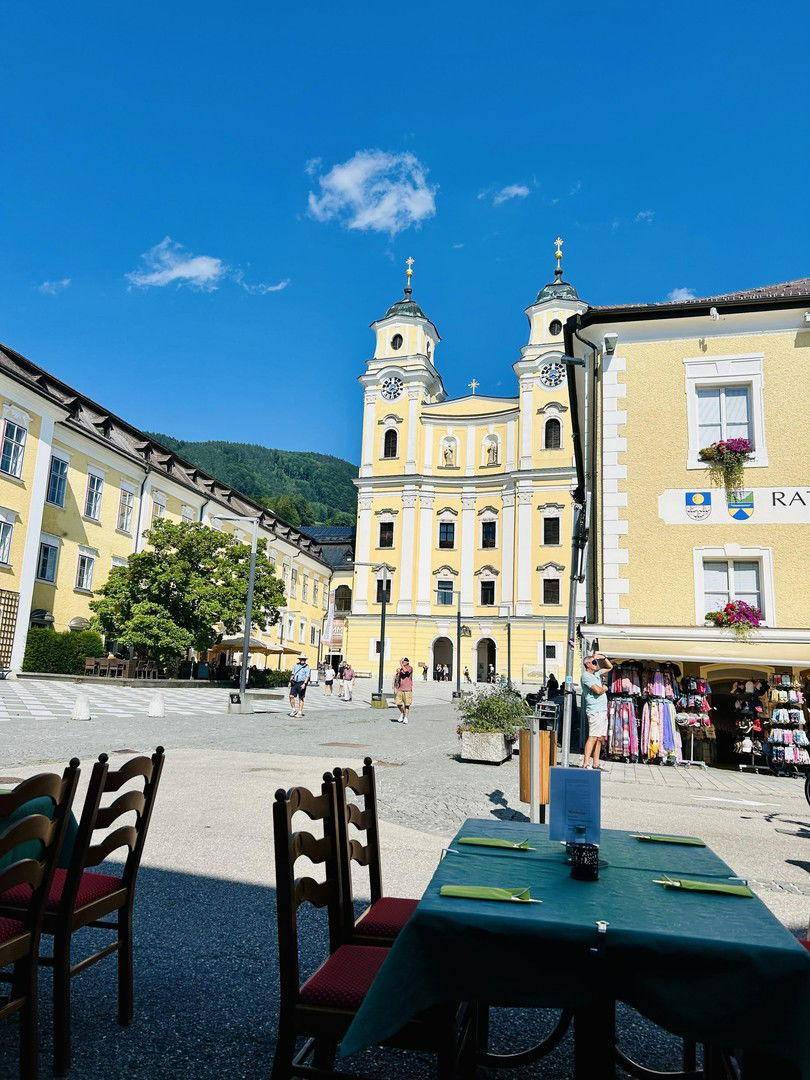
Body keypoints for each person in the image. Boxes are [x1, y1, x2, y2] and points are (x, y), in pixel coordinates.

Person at [581, 653, 610, 769]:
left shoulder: (596, 674)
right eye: (594, 662)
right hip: (595, 711)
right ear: (588, 664)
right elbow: (597, 690)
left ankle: (596, 763)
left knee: (599, 737)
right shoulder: (586, 676)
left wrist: (603, 657)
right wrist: (604, 688)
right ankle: (585, 763)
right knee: (593, 736)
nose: (596, 664)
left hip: (602, 710)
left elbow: (609, 667)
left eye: (596, 662)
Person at [393, 657, 413, 723]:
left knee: (407, 705)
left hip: (407, 689)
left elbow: (406, 672)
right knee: (398, 703)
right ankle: (402, 713)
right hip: (400, 689)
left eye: (404, 661)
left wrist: (401, 664)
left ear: (407, 662)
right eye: (402, 661)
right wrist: (395, 687)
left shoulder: (410, 668)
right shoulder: (401, 669)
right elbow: (397, 679)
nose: (402, 662)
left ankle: (406, 717)